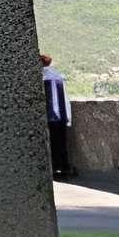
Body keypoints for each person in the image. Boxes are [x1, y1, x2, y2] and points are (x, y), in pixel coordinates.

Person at [40, 52, 72, 180]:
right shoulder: (58, 77)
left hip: (49, 117)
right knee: (61, 142)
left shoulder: (43, 77)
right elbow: (65, 99)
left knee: (51, 144)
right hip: (61, 116)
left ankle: (54, 168)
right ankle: (63, 167)